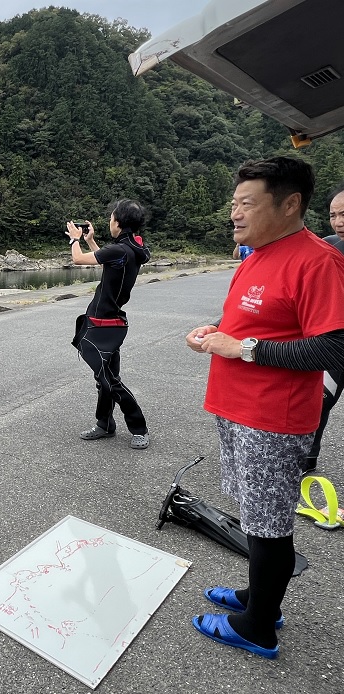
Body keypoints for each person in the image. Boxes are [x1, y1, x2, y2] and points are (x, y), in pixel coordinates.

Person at [185, 156, 344, 659]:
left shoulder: (317, 260)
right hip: (236, 409)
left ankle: (258, 627)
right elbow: (256, 320)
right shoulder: (257, 252)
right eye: (234, 203)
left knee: (271, 526)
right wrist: (215, 331)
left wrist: (246, 349)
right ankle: (261, 597)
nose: (234, 213)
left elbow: (335, 348)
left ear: (290, 203)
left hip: (272, 419)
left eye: (246, 203)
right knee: (257, 516)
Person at [66, 200, 152, 449]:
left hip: (101, 323)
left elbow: (79, 259)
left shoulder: (119, 251)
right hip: (113, 321)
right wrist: (91, 240)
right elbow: (108, 260)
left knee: (108, 379)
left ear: (119, 223)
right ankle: (104, 424)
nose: (109, 223)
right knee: (105, 377)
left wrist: (75, 239)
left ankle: (139, 427)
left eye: (111, 219)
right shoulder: (134, 248)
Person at [306, 183, 344, 471]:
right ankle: (307, 459)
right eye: (334, 214)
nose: (339, 222)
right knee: (319, 402)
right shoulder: (328, 245)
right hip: (335, 345)